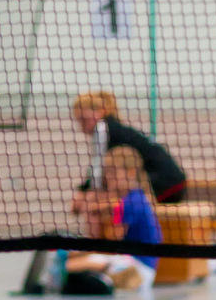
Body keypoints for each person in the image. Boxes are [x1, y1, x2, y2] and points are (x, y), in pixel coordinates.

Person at [71, 91, 187, 223]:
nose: (82, 126)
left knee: (94, 202)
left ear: (101, 111)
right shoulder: (112, 128)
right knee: (96, 200)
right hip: (173, 184)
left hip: (166, 185)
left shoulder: (103, 128)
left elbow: (97, 169)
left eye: (84, 120)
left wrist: (83, 192)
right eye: (79, 121)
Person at [61, 146, 162, 295]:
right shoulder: (130, 199)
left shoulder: (132, 203)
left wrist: (76, 254)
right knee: (74, 262)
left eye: (113, 172)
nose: (108, 177)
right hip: (132, 264)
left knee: (71, 265)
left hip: (138, 271)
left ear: (131, 172)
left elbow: (110, 247)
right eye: (107, 172)